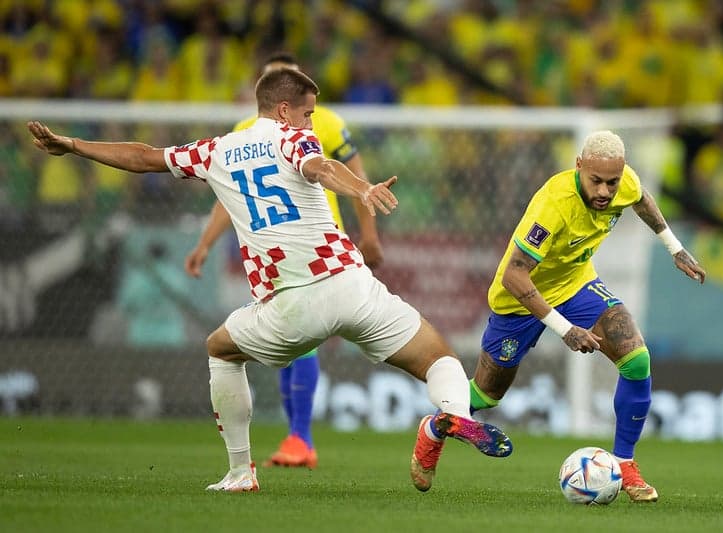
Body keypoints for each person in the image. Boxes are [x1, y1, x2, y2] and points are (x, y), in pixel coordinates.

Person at [27, 67, 513, 493]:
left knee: (220, 349)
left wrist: (74, 145)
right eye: (307, 114)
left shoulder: (216, 150)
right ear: (284, 111)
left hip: (290, 306)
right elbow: (321, 166)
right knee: (440, 360)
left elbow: (144, 156)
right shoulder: (291, 137)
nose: (311, 123)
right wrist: (362, 188)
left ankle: (241, 472)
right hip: (352, 287)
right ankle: (452, 417)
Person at [411, 130, 706, 501]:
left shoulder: (624, 182)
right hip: (518, 301)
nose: (605, 191)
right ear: (579, 166)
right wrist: (565, 329)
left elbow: (641, 198)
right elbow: (514, 275)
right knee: (486, 394)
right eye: (596, 181)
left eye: (612, 182)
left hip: (575, 285)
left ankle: (625, 465)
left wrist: (674, 248)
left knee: (636, 359)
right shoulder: (554, 203)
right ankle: (436, 428)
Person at [184, 51, 384, 470]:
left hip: (317, 247)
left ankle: (300, 436)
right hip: (270, 251)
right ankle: (298, 437)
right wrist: (204, 244)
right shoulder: (243, 131)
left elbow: (357, 177)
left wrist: (369, 235)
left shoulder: (325, 122)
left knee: (301, 335)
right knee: (289, 344)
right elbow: (228, 196)